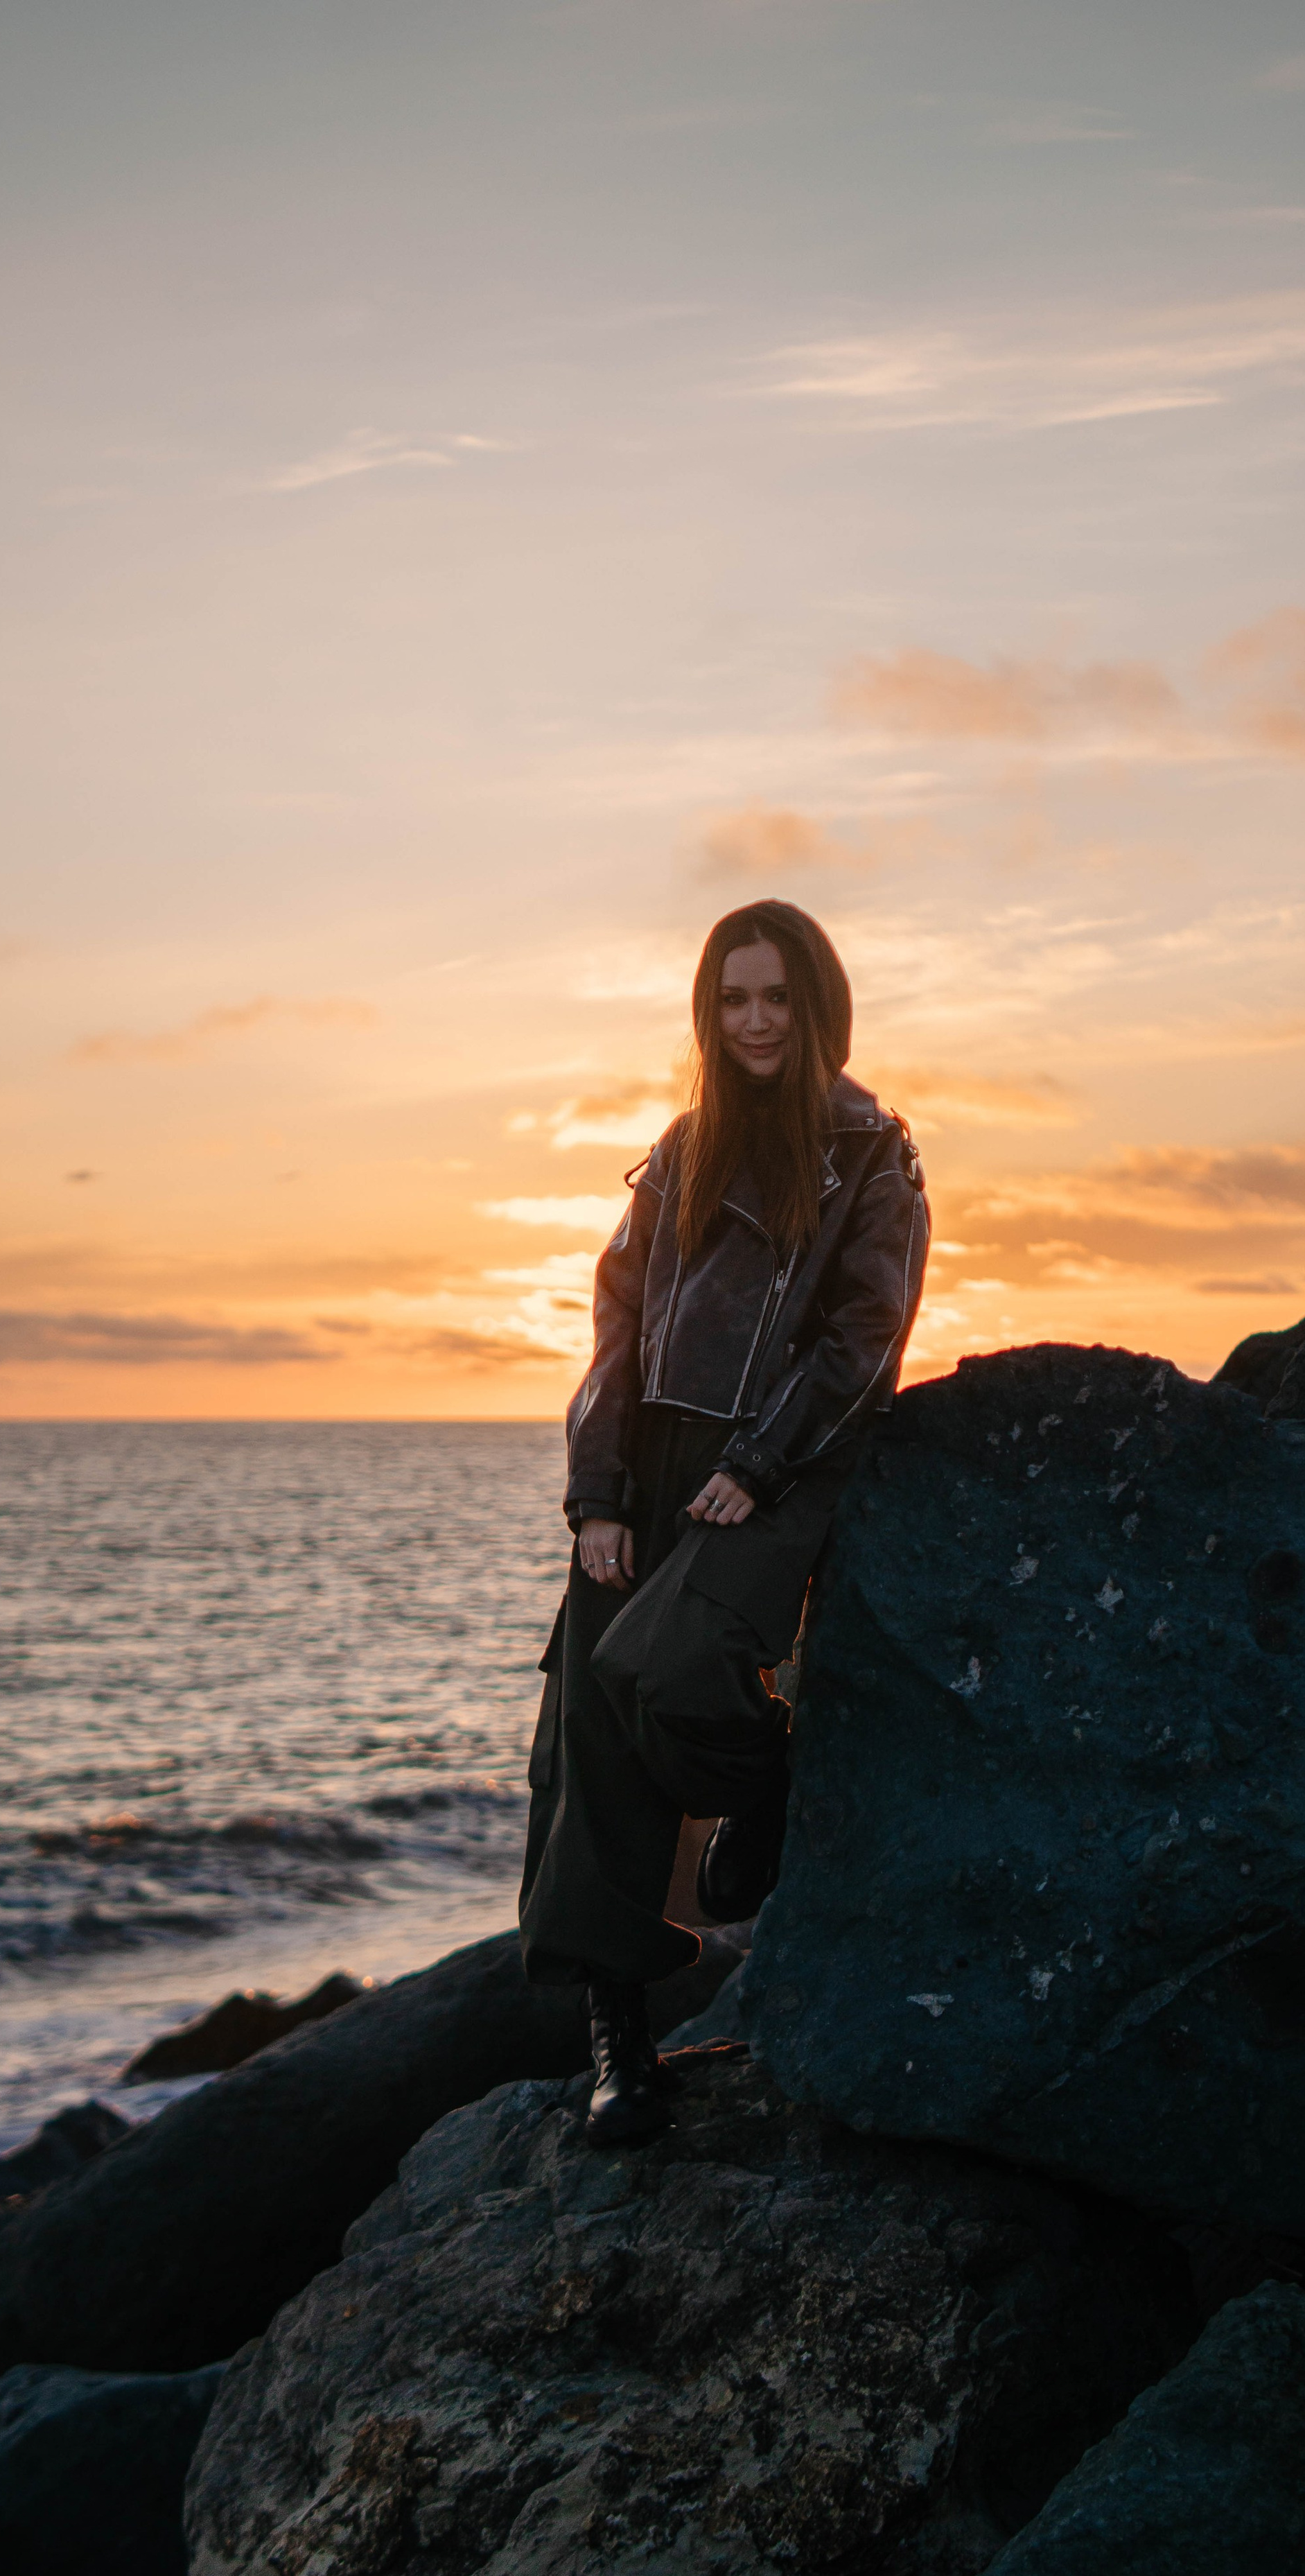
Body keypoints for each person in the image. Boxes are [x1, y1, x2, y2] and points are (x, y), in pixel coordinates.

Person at [519, 898, 929, 2144]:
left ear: (817, 1007)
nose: (755, 1021)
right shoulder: (682, 1147)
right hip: (649, 1463)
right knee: (590, 1719)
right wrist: (597, 1495)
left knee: (677, 1666)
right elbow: (615, 1322)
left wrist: (760, 1463)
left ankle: (779, 1792)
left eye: (776, 998)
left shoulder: (872, 1152)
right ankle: (620, 2049)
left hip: (782, 1466)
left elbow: (871, 1334)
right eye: (733, 1000)